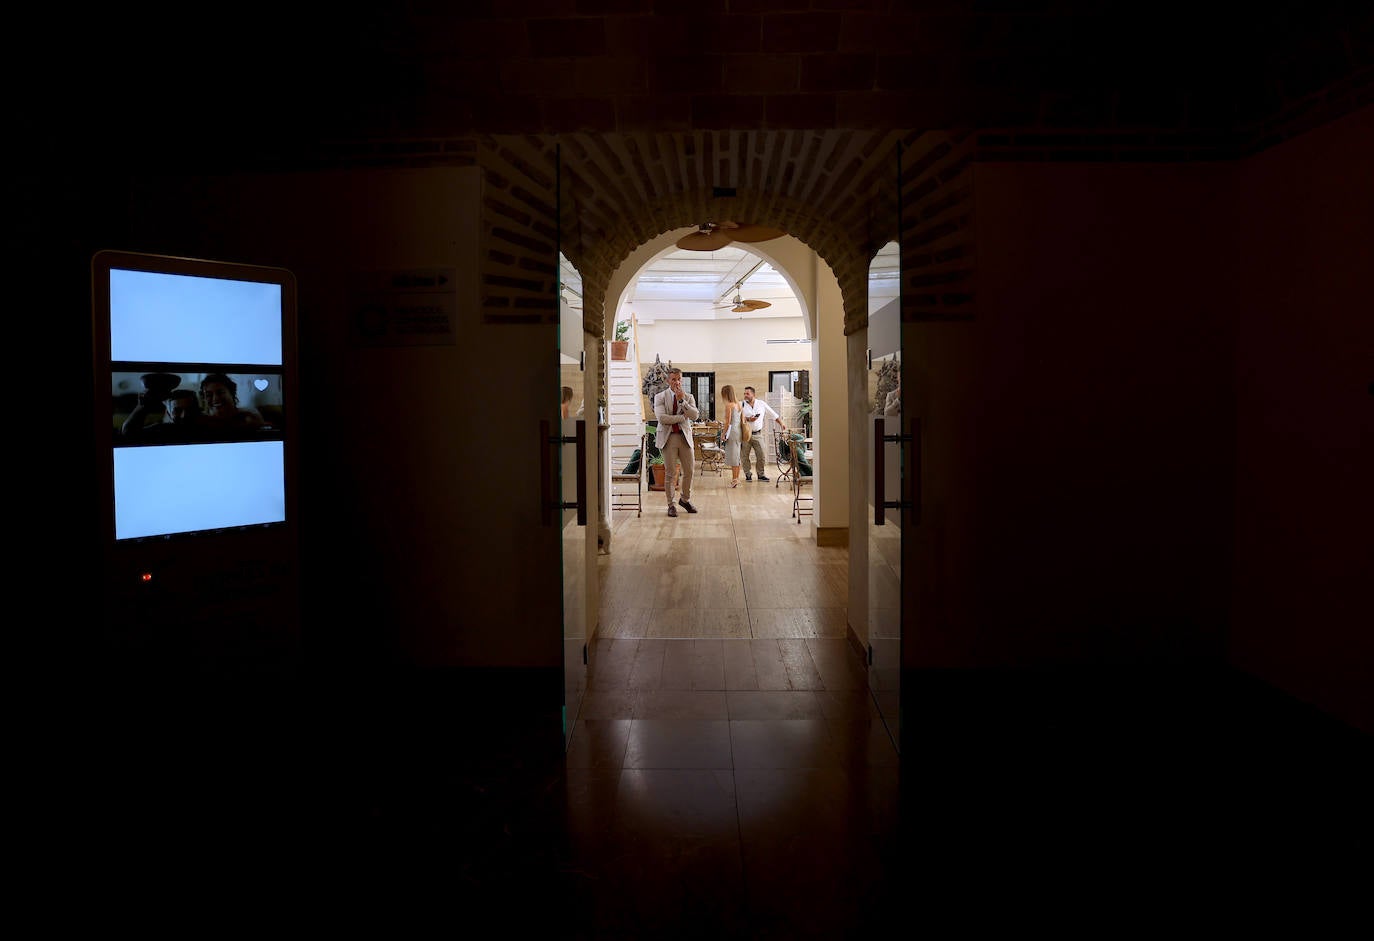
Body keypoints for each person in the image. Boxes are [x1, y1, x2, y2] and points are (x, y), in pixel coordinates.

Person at [652, 367, 699, 516]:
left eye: (679, 379)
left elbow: (695, 415)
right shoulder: (660, 397)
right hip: (669, 437)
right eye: (673, 379)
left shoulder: (688, 397)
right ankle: (671, 504)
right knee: (671, 473)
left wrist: (682, 401)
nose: (677, 382)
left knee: (689, 471)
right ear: (668, 380)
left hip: (685, 437)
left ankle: (685, 500)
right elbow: (662, 418)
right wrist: (682, 417)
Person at [740, 386, 787, 482]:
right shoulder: (741, 404)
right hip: (745, 434)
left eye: (747, 394)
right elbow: (736, 418)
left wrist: (782, 423)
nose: (745, 395)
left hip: (758, 434)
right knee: (744, 456)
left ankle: (761, 475)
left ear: (753, 394)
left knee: (761, 455)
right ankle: (747, 474)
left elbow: (773, 414)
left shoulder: (761, 404)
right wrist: (749, 419)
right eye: (744, 393)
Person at [200, 373, 264, 429]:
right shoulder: (202, 421)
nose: (215, 399)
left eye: (220, 392)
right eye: (209, 395)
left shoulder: (249, 415)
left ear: (232, 393)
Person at [718, 384, 745, 489]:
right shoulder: (739, 404)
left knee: (734, 457)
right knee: (737, 456)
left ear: (726, 394)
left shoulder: (729, 405)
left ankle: (734, 480)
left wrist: (723, 434)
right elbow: (742, 420)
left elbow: (727, 422)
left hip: (732, 432)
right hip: (738, 432)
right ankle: (736, 478)